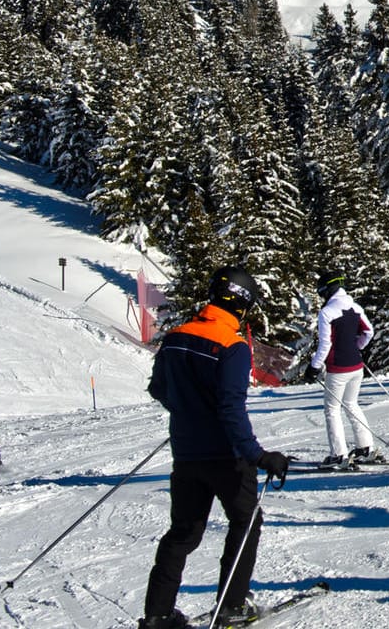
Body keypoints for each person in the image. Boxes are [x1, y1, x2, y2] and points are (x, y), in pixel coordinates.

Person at [140, 268, 291, 629]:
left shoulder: (175, 337)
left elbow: (159, 390)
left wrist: (189, 412)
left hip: (187, 453)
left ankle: (157, 615)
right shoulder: (234, 345)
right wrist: (258, 455)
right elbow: (230, 408)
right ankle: (232, 606)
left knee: (184, 532)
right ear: (243, 304)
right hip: (226, 456)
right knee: (245, 521)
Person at [306, 269, 378, 466]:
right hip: (356, 366)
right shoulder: (355, 307)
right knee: (352, 404)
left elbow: (325, 345)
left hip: (338, 368)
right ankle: (365, 448)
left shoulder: (327, 312)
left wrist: (314, 366)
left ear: (328, 291)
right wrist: (356, 347)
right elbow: (368, 332)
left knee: (332, 409)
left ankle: (338, 455)